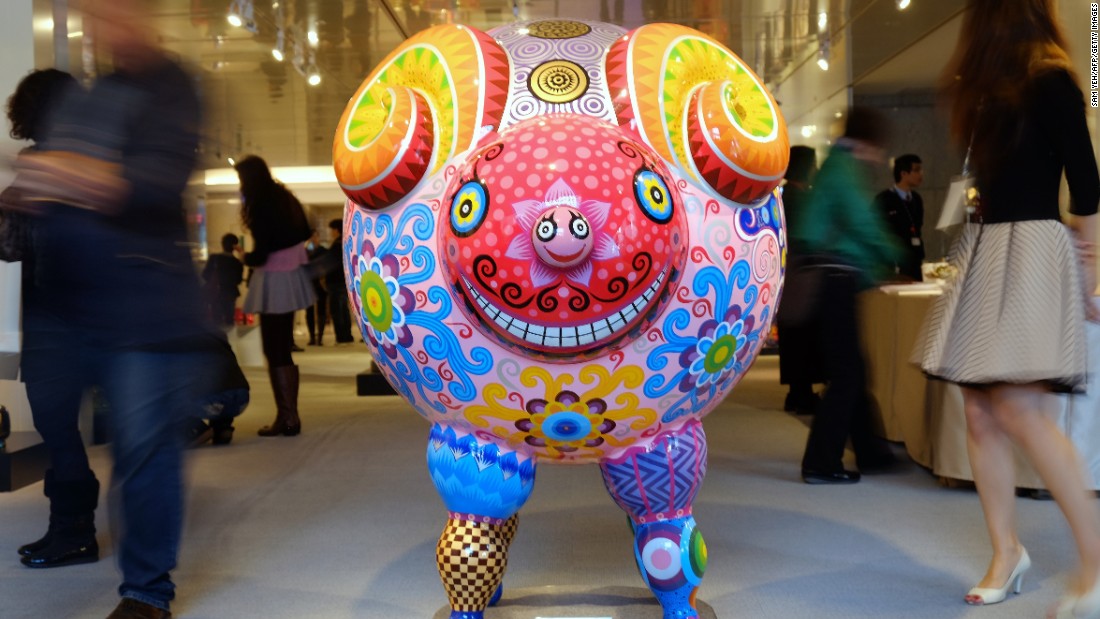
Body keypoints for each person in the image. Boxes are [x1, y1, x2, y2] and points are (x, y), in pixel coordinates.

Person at [7, 0, 214, 616]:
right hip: (63, 301)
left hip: (143, 304)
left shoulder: (174, 88)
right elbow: (40, 193)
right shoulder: (87, 98)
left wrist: (56, 173)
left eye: (111, 11)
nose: (100, 25)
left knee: (142, 449)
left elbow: (144, 185)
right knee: (56, 426)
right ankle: (71, 528)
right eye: (92, 13)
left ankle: (146, 591)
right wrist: (46, 181)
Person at [915, 0, 1100, 614]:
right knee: (978, 411)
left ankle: (1095, 563)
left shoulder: (1051, 78)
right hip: (989, 249)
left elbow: (1087, 182)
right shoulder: (985, 90)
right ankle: (1006, 551)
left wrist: (1091, 270)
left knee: (1021, 408)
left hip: (1036, 247)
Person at [3, 69, 95, 571]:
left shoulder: (38, 162)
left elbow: (10, 243)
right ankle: (69, 526)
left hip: (52, 314)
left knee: (57, 428)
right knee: (67, 428)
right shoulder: (100, 158)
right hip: (98, 312)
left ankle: (74, 532)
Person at [791, 107, 904, 485]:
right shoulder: (843, 169)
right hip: (835, 280)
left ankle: (872, 453)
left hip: (830, 278)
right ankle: (820, 463)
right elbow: (862, 223)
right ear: (868, 142)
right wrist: (896, 256)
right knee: (848, 373)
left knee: (853, 368)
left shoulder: (836, 165)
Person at [235, 155, 315, 437]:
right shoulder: (284, 197)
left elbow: (263, 250)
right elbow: (305, 231)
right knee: (282, 346)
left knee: (274, 347)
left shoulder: (261, 203)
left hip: (273, 277)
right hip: (292, 274)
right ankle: (289, 415)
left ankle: (287, 416)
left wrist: (246, 257)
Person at [776, 145, 823, 415]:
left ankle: (798, 392)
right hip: (800, 276)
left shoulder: (786, 195)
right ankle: (800, 394)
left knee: (796, 339)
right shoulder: (798, 197)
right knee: (801, 339)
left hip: (790, 276)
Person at [873, 154, 925, 280]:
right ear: (904, 174)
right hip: (893, 263)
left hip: (915, 260)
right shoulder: (884, 199)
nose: (921, 174)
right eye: (916, 170)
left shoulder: (917, 199)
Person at [201, 232, 244, 327]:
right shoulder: (237, 263)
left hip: (215, 292)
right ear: (235, 246)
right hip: (230, 293)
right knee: (229, 321)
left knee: (216, 321)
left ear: (222, 244)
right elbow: (238, 280)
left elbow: (205, 274)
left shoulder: (214, 258)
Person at [325, 218, 355, 345]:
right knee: (343, 310)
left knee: (338, 310)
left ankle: (342, 337)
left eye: (332, 230)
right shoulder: (345, 243)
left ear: (336, 230)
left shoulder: (337, 245)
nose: (330, 232)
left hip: (336, 282)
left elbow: (331, 264)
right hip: (343, 282)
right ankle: (347, 336)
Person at [304, 229, 328, 345]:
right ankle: (312, 337)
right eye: (311, 237)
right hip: (309, 283)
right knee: (309, 311)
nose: (314, 239)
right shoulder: (305, 251)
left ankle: (320, 337)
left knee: (321, 310)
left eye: (315, 236)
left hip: (320, 283)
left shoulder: (323, 250)